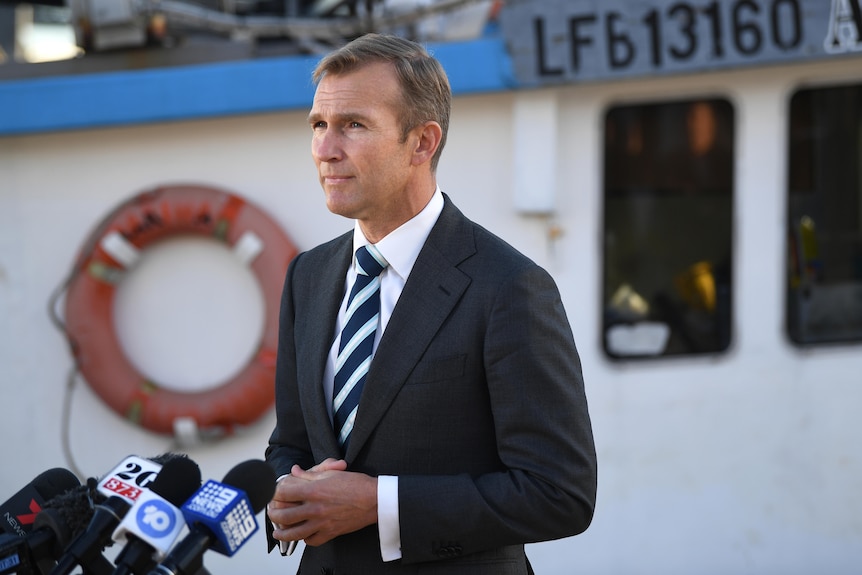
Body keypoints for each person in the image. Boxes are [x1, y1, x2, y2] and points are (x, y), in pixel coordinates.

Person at [264, 32, 597, 574]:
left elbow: (559, 492)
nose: (326, 149)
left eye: (354, 124)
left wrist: (379, 504)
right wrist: (286, 488)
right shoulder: (308, 276)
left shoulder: (510, 286)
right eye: (318, 125)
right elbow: (291, 444)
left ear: (422, 143)